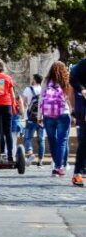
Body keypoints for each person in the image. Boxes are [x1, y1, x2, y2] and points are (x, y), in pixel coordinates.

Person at [40, 61, 73, 177]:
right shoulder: (66, 81)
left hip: (48, 115)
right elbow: (69, 99)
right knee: (62, 140)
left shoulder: (46, 81)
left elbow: (41, 98)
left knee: (52, 140)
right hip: (63, 113)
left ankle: (57, 165)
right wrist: (73, 113)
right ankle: (59, 166)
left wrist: (39, 115)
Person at [69, 57, 86, 187]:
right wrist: (82, 89)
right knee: (84, 142)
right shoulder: (82, 64)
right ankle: (77, 174)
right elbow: (72, 78)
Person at [20, 74, 45, 165]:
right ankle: (40, 161)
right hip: (41, 118)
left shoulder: (28, 89)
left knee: (27, 138)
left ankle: (30, 154)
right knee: (41, 140)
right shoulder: (43, 89)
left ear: (34, 80)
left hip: (30, 117)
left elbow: (24, 102)